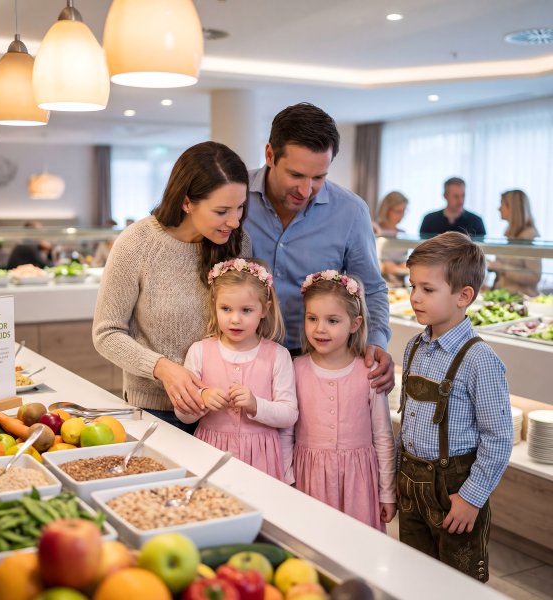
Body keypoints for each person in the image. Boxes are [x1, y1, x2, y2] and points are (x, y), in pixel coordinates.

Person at [92, 141, 251, 433]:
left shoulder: (237, 242)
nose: (234, 220)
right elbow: (106, 334)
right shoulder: (136, 244)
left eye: (240, 207)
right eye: (222, 211)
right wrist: (162, 368)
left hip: (224, 408)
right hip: (155, 411)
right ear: (187, 202)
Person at [246, 103, 393, 393]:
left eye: (319, 177)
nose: (306, 189)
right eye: (296, 175)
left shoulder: (351, 212)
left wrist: (376, 340)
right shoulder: (235, 196)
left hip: (317, 361)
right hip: (242, 354)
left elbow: (372, 288)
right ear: (269, 155)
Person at [398, 232, 513, 581]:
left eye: (427, 289)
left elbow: (499, 438)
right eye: (412, 285)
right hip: (410, 487)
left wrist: (472, 498)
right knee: (414, 576)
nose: (414, 297)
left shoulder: (481, 360)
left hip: (455, 492)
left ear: (464, 296)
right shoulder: (413, 346)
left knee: (458, 581)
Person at [291, 270, 396, 531]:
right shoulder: (295, 368)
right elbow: (286, 432)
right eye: (312, 318)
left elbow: (383, 436)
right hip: (309, 479)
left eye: (332, 321)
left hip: (359, 482)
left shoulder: (369, 373)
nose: (320, 329)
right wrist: (287, 479)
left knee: (358, 545)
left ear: (355, 323)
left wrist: (387, 493)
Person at [175, 259, 298, 482]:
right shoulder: (199, 351)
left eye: (246, 310)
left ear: (264, 309)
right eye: (226, 309)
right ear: (214, 305)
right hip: (210, 454)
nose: (235, 319)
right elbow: (182, 415)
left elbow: (289, 415)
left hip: (262, 460)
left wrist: (255, 404)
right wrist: (202, 398)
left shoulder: (278, 355)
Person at [488, 189, 541, 296]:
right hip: (504, 296)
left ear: (512, 208)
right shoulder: (509, 234)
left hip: (521, 299)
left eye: (502, 204)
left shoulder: (529, 237)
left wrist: (502, 268)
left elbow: (534, 276)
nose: (499, 209)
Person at [419, 177, 486, 237]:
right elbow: (422, 248)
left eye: (463, 195)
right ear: (445, 196)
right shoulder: (429, 220)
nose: (461, 201)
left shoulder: (476, 221)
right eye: (456, 196)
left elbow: (483, 249)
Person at [375, 191, 409, 287]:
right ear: (386, 210)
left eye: (404, 211)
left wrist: (405, 264)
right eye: (398, 211)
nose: (401, 216)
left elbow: (403, 260)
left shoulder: (403, 234)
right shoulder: (375, 230)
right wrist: (386, 266)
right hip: (379, 284)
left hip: (399, 284)